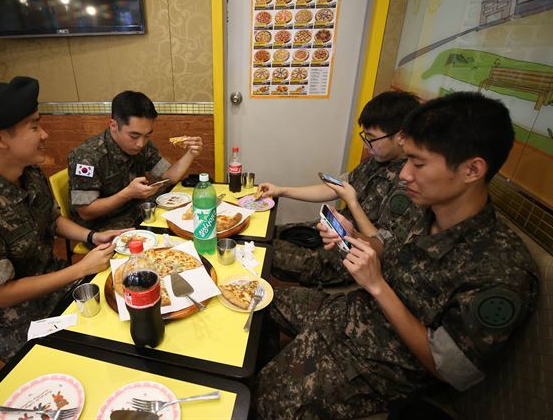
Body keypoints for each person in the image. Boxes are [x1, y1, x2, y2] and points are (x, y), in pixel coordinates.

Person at [252, 92, 539, 419]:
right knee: (260, 304)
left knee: (258, 402)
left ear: (472, 170)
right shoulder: (425, 210)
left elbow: (448, 368)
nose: (404, 175)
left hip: (380, 365)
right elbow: (383, 245)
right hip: (350, 313)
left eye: (418, 164)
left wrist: (377, 286)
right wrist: (351, 235)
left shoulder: (501, 269)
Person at [0, 77, 124, 362]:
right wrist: (80, 268)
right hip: (11, 317)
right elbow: (1, 295)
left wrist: (91, 237)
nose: (44, 134)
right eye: (34, 126)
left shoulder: (29, 173)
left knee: (123, 314)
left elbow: (51, 219)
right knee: (74, 364)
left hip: (54, 282)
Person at [257, 91, 420, 286]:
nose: (366, 145)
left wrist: (352, 203)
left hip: (350, 255)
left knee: (259, 250)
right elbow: (335, 188)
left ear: (401, 137)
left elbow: (381, 247)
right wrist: (281, 190)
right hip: (333, 231)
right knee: (265, 234)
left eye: (372, 138)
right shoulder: (375, 162)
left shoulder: (410, 184)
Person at [67, 90, 203, 233]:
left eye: (147, 136)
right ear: (113, 125)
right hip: (102, 227)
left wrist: (190, 153)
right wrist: (128, 194)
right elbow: (86, 212)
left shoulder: (142, 144)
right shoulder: (86, 157)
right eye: (134, 136)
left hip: (137, 212)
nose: (140, 144)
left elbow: (169, 176)